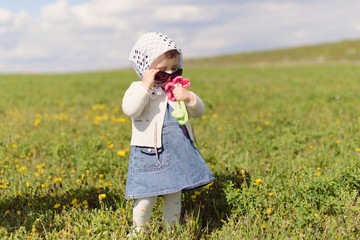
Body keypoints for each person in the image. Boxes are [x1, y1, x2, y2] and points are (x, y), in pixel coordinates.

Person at [122, 32, 215, 235]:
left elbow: (199, 112)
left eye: (175, 70)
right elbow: (130, 109)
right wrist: (146, 86)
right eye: (161, 73)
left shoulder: (176, 91)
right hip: (149, 153)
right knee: (146, 196)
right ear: (144, 70)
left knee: (174, 194)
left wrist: (189, 97)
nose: (169, 76)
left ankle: (172, 229)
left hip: (177, 151)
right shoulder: (138, 89)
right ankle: (138, 230)